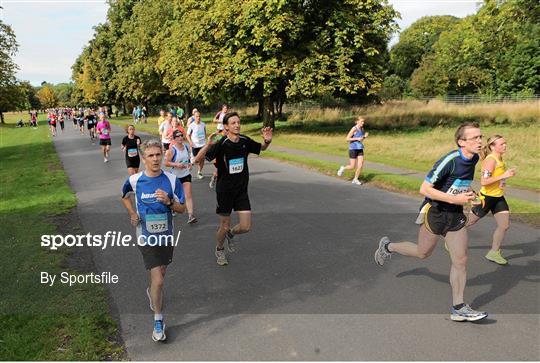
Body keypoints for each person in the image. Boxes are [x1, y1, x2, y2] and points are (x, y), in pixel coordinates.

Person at [373, 121, 488, 322]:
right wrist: (454, 198)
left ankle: (458, 307)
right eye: (475, 138)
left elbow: (457, 184)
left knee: (460, 260)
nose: (480, 141)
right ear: (462, 142)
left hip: (456, 215)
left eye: (480, 137)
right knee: (423, 252)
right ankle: (388, 246)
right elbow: (424, 188)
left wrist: (469, 193)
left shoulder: (474, 158)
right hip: (435, 212)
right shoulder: (450, 160)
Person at [121, 139, 186, 342]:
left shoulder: (172, 180)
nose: (155, 159)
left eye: (158, 154)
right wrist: (132, 213)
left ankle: (152, 291)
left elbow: (182, 208)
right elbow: (124, 196)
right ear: (143, 158)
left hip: (166, 235)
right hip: (145, 236)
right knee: (158, 278)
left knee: (162, 273)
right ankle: (158, 320)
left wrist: (169, 202)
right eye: (150, 155)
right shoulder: (134, 181)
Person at [193, 112, 273, 266]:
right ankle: (219, 248)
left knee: (245, 227)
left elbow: (261, 147)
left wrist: (267, 141)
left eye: (238, 122)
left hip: (241, 190)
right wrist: (208, 144)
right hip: (225, 191)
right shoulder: (220, 143)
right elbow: (197, 159)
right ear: (226, 127)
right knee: (224, 225)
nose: (237, 125)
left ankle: (231, 234)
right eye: (233, 123)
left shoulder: (244, 140)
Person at [467, 135, 516, 265]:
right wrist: (504, 175)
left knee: (504, 225)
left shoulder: (500, 159)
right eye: (501, 144)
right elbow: (484, 181)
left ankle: (494, 252)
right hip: (486, 198)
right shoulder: (490, 160)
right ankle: (451, 236)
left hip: (498, 198)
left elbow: (496, 177)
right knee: (468, 222)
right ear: (492, 146)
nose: (505, 145)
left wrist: (503, 181)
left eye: (505, 143)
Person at [164, 130, 197, 224]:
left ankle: (191, 215)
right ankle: (173, 207)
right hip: (175, 177)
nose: (180, 137)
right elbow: (166, 163)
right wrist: (177, 165)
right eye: (177, 136)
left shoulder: (186, 147)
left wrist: (190, 164)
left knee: (188, 195)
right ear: (174, 139)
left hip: (186, 175)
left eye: (181, 135)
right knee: (175, 196)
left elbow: (189, 159)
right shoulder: (172, 150)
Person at [337, 116, 368, 185]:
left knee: (360, 164)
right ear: (357, 122)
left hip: (360, 148)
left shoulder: (362, 129)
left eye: (363, 121)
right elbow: (347, 138)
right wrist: (357, 138)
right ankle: (343, 168)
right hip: (353, 148)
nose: (363, 123)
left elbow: (361, 139)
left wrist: (364, 137)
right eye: (361, 121)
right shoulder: (354, 129)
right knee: (352, 166)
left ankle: (355, 179)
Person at [186, 111, 207, 179]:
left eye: (199, 116)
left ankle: (199, 172)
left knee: (202, 159)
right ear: (194, 117)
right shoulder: (191, 125)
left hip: (202, 145)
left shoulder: (203, 124)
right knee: (195, 160)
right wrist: (190, 142)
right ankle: (187, 170)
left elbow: (205, 133)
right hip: (195, 145)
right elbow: (187, 135)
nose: (198, 118)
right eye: (197, 116)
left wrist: (205, 141)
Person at [209, 123, 226, 189]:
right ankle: (214, 177)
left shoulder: (230, 136)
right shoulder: (218, 137)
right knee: (221, 170)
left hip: (226, 156)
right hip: (218, 157)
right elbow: (212, 146)